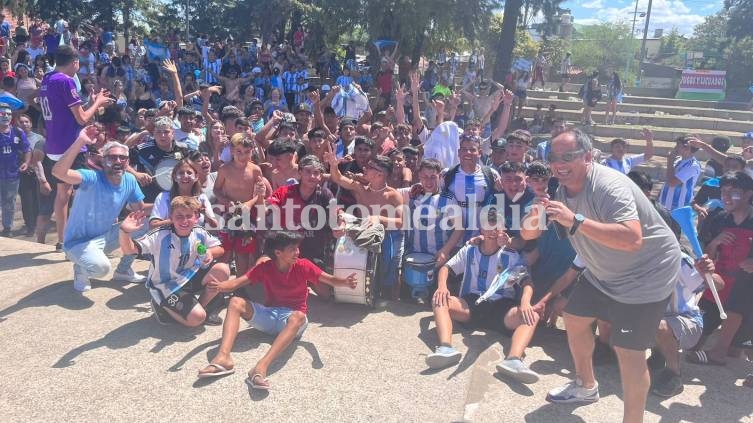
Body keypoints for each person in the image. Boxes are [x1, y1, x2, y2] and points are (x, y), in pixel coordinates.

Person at [521, 128, 681, 423]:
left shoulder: (608, 186)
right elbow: (528, 235)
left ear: (587, 156)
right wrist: (534, 212)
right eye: (553, 157)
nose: (559, 163)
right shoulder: (560, 191)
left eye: (568, 156)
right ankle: (585, 385)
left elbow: (633, 239)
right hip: (604, 271)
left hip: (647, 274)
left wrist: (576, 220)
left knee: (628, 352)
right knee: (575, 318)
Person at [197, 231, 358, 388]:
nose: (298, 252)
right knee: (235, 302)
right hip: (270, 315)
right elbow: (237, 282)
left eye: (297, 248)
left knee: (299, 317)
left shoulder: (304, 265)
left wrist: (345, 282)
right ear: (278, 253)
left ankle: (260, 368)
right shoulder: (265, 267)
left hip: (292, 321)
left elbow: (330, 280)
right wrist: (218, 287)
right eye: (292, 249)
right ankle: (223, 358)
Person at [426, 211, 542, 384]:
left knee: (531, 316)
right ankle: (445, 348)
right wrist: (442, 287)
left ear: (504, 230)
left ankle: (514, 360)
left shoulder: (510, 255)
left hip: (501, 308)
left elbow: (527, 282)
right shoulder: (470, 249)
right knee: (440, 299)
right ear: (481, 228)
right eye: (488, 226)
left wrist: (526, 303)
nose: (492, 231)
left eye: (497, 227)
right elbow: (446, 268)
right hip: (471, 304)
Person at [52, 127, 147, 292]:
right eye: (112, 157)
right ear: (103, 161)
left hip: (105, 237)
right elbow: (58, 172)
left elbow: (141, 210)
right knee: (101, 269)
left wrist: (169, 202)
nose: (118, 161)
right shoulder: (91, 177)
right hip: (77, 243)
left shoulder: (130, 180)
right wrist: (80, 141)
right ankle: (81, 269)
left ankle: (123, 270)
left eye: (122, 158)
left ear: (127, 162)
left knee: (147, 223)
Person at [40, 44, 113, 251]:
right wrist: (97, 102)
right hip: (69, 146)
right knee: (88, 190)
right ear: (74, 62)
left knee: (63, 193)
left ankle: (63, 241)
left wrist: (92, 102)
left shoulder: (47, 78)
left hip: (53, 145)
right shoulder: (66, 81)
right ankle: (82, 238)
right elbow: (81, 119)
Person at [119, 196, 230, 327]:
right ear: (171, 217)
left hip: (189, 276)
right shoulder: (160, 235)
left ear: (196, 217)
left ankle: (199, 307)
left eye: (189, 216)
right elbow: (130, 250)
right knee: (196, 320)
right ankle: (160, 305)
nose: (184, 220)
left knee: (223, 269)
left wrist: (210, 252)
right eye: (179, 216)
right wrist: (125, 231)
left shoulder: (199, 232)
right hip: (166, 285)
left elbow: (221, 248)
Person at [688, 171, 753, 367]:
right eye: (723, 191)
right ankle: (729, 345)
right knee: (692, 344)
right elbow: (706, 254)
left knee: (742, 293)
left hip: (746, 290)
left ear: (748, 195)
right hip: (719, 285)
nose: (726, 197)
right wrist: (715, 243)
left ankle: (722, 350)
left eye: (733, 192)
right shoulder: (718, 219)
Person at [326, 151, 404, 300]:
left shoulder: (393, 195)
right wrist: (334, 165)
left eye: (370, 167)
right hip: (361, 233)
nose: (364, 169)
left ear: (379, 174)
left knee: (388, 270)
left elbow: (402, 223)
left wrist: (378, 218)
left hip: (386, 237)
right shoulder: (359, 188)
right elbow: (338, 178)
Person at [214, 134, 267, 276]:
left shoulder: (255, 170)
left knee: (243, 252)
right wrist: (226, 201)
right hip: (229, 213)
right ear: (231, 151)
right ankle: (220, 280)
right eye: (238, 151)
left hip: (247, 216)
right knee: (224, 250)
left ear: (252, 151)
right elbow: (216, 189)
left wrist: (248, 204)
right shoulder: (224, 169)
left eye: (246, 152)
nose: (242, 156)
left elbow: (259, 192)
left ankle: (239, 284)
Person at [0, 103, 31, 236]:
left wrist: (27, 162)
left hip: (12, 175)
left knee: (10, 202)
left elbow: (27, 149)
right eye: (2, 114)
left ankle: (7, 228)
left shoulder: (18, 132)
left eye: (8, 114)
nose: (5, 116)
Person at [657, 135, 702, 211]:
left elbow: (672, 183)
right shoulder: (678, 160)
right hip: (664, 205)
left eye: (678, 145)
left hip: (678, 208)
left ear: (687, 148)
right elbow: (667, 181)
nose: (675, 148)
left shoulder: (692, 166)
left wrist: (670, 161)